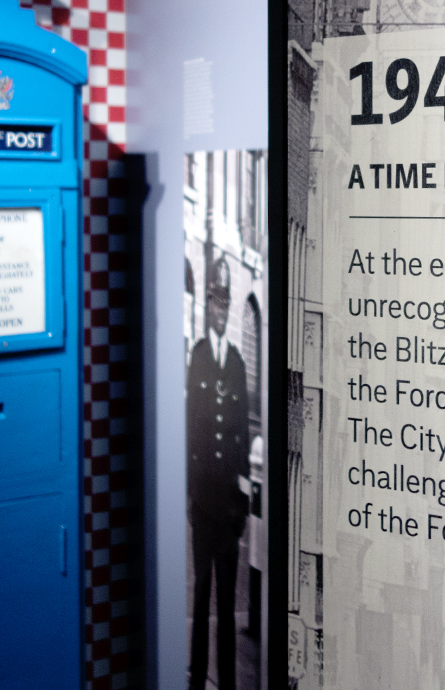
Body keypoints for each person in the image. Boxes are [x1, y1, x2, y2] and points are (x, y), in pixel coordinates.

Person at [187, 257, 249, 690]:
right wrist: (190, 495)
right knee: (202, 593)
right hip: (204, 502)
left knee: (227, 600)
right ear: (207, 307)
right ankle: (196, 677)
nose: (220, 311)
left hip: (228, 508)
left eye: (225, 305)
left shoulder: (239, 363)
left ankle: (226, 682)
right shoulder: (198, 357)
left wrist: (242, 500)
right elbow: (190, 427)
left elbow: (242, 435)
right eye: (215, 303)